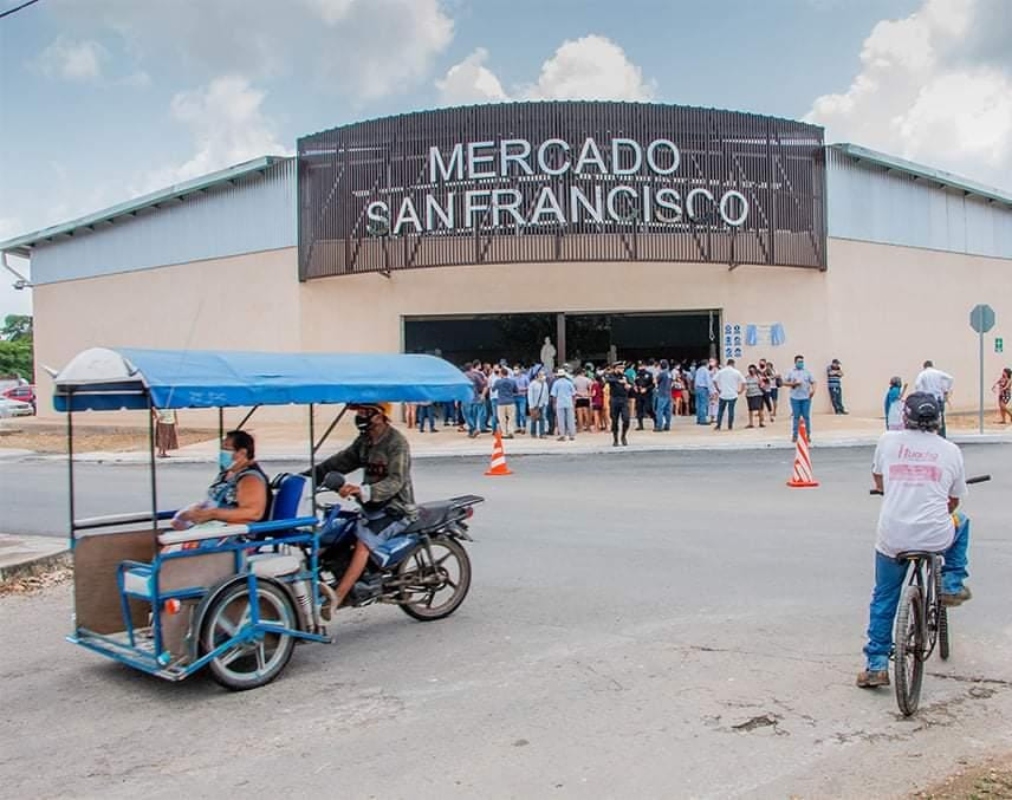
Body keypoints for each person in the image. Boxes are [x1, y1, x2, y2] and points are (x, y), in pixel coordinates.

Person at [857, 393, 972, 689]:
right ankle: (952, 582)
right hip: (935, 534)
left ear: (904, 417)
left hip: (892, 537)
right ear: (938, 419)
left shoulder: (888, 441)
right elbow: (954, 501)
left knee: (884, 596)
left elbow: (879, 481)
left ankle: (876, 665)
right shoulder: (950, 451)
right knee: (963, 521)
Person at [308, 402, 417, 609]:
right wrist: (306, 478)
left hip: (396, 509)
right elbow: (339, 462)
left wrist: (362, 491)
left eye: (366, 412)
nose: (360, 416)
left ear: (380, 415)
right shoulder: (364, 442)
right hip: (371, 507)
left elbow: (396, 481)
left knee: (362, 543)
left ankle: (336, 599)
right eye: (359, 412)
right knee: (332, 536)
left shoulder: (396, 443)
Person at [172, 430, 269, 530]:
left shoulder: (250, 479)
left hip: (230, 534)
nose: (222, 453)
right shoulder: (227, 473)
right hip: (209, 527)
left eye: (226, 449)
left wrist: (212, 513)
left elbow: (253, 513)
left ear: (242, 452)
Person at [914, 360, 954, 438]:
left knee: (928, 419)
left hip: (929, 400)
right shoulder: (938, 373)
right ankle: (942, 436)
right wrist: (946, 390)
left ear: (924, 367)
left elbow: (917, 384)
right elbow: (950, 378)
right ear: (932, 366)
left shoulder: (923, 374)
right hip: (939, 399)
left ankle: (930, 436)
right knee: (940, 418)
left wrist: (921, 393)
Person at [785, 354, 816, 443]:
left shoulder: (807, 372)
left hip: (806, 397)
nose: (801, 363)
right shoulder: (791, 372)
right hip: (795, 397)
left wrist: (813, 391)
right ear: (795, 362)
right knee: (796, 417)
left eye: (802, 362)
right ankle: (795, 435)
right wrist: (793, 384)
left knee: (806, 416)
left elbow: (813, 382)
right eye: (799, 362)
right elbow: (785, 382)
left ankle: (808, 434)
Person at [712, 358, 745, 431]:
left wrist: (718, 389)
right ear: (733, 364)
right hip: (733, 394)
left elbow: (714, 380)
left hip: (723, 394)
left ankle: (718, 425)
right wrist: (741, 391)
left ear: (727, 363)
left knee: (720, 410)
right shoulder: (736, 372)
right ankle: (730, 426)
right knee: (731, 410)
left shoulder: (721, 371)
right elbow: (743, 382)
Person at [605, 362, 632, 446]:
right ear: (615, 368)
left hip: (624, 399)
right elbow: (608, 380)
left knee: (626, 418)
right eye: (619, 368)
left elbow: (632, 384)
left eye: (622, 368)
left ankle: (623, 436)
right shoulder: (611, 375)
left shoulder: (625, 376)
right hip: (614, 399)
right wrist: (619, 381)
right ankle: (615, 439)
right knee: (614, 420)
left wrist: (628, 386)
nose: (621, 370)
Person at [550, 368, 577, 441]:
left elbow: (554, 395)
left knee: (561, 420)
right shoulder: (569, 383)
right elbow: (574, 394)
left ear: (558, 376)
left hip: (560, 403)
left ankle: (562, 435)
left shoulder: (556, 383)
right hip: (569, 403)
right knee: (570, 419)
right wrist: (574, 402)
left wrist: (554, 404)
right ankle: (572, 435)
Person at [493, 366, 518, 438]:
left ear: (501, 374)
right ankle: (511, 432)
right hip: (511, 401)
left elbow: (493, 389)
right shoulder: (512, 381)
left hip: (501, 402)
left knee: (502, 419)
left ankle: (504, 433)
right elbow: (516, 390)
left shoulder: (498, 381)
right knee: (511, 418)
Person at [527, 368, 549, 438]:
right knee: (534, 419)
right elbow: (530, 395)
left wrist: (546, 402)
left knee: (542, 418)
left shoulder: (545, 384)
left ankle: (542, 433)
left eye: (543, 375)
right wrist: (531, 405)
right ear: (537, 376)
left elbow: (546, 394)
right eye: (541, 375)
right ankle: (533, 433)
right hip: (534, 405)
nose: (543, 377)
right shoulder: (532, 384)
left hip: (542, 404)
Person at [744, 364, 766, 428]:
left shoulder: (758, 377)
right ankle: (751, 423)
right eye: (750, 369)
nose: (751, 371)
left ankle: (761, 422)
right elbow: (744, 385)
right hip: (749, 395)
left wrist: (761, 383)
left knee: (760, 409)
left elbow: (763, 385)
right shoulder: (746, 377)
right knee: (750, 409)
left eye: (752, 370)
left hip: (758, 394)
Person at [654, 360, 673, 432]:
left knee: (660, 410)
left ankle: (659, 426)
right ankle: (667, 425)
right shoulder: (669, 373)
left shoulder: (662, 374)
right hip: (669, 393)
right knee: (668, 411)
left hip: (662, 393)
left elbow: (656, 381)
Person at [573, 368, 594, 433]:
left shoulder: (574, 380)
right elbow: (591, 388)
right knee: (586, 413)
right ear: (582, 372)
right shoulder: (587, 380)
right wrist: (589, 395)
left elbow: (573, 390)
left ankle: (580, 428)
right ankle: (588, 427)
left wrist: (579, 394)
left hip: (578, 397)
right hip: (586, 397)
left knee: (579, 414)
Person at [693, 360, 713, 426]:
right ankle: (703, 420)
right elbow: (708, 381)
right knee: (703, 404)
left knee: (698, 404)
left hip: (698, 388)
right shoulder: (705, 370)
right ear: (707, 364)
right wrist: (711, 391)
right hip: (703, 388)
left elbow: (695, 380)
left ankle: (699, 419)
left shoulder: (698, 370)